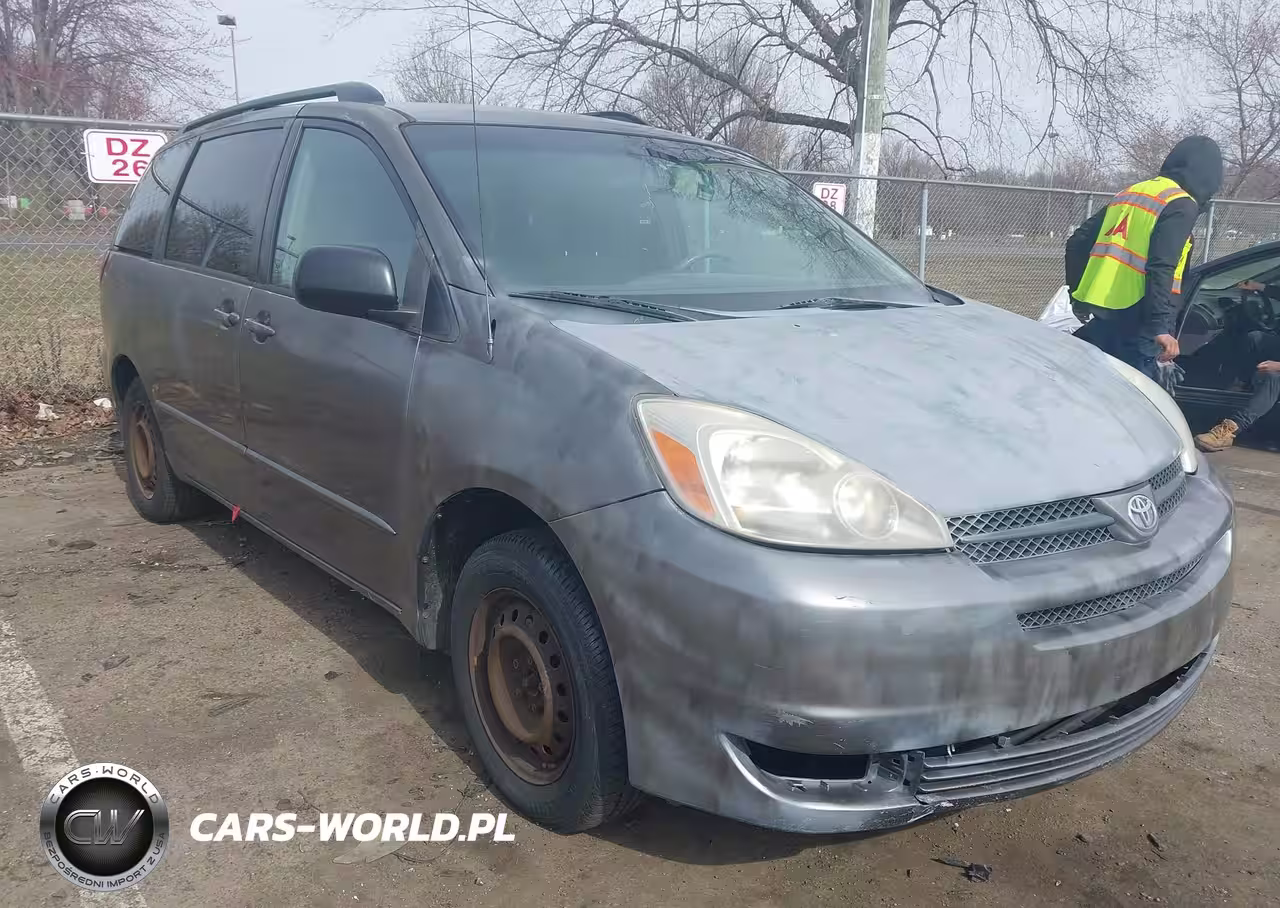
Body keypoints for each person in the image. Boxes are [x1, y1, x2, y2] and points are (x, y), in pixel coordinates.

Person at [1065, 136, 1224, 378]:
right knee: (1134, 401)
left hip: (1105, 316)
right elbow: (1162, 266)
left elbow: (1077, 242)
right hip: (1141, 323)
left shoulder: (1132, 192)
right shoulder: (1181, 204)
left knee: (1087, 385)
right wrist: (1160, 327)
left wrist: (1077, 293)